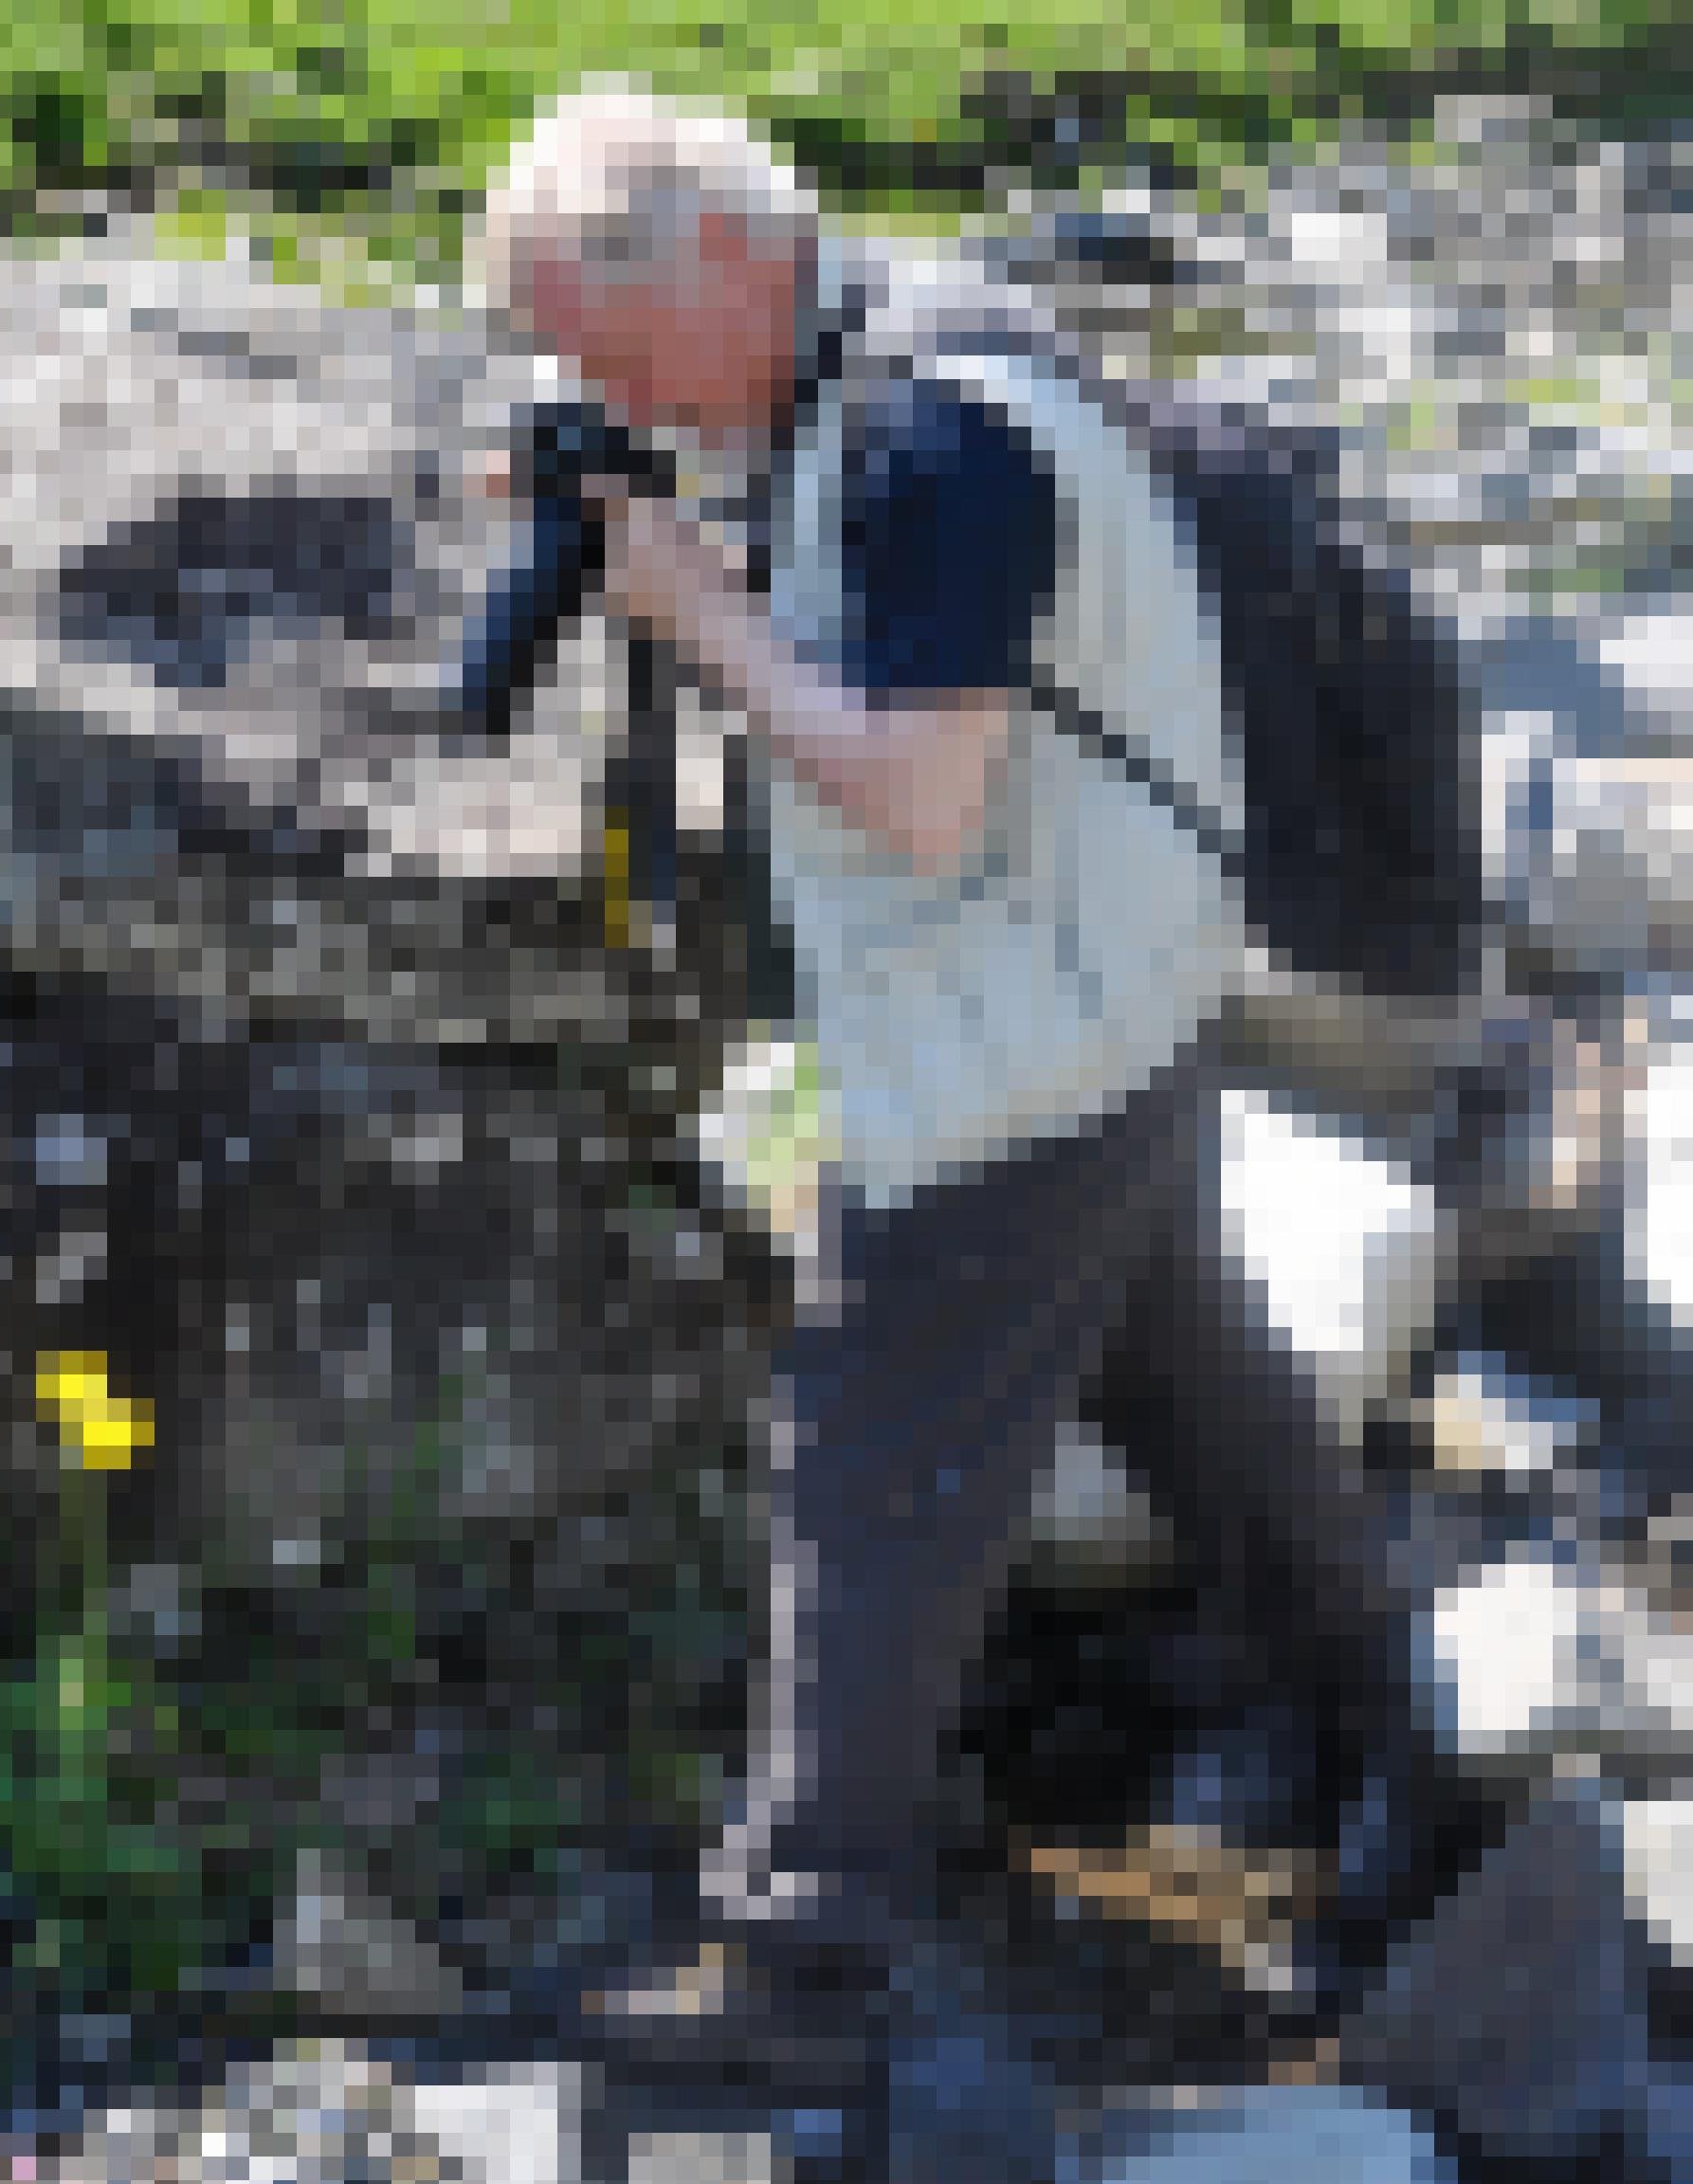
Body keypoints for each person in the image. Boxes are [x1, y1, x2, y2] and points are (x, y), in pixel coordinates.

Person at [466, 86, 1514, 2181]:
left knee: (865, 1466)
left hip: (1015, 1050)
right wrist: (671, 497)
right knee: (1191, 1372)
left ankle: (795, 1961)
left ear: (739, 264)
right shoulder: (871, 356)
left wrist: (698, 618)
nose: (586, 387)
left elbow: (923, 792)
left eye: (602, 344)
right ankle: (1391, 1728)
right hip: (1112, 993)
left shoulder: (943, 436)